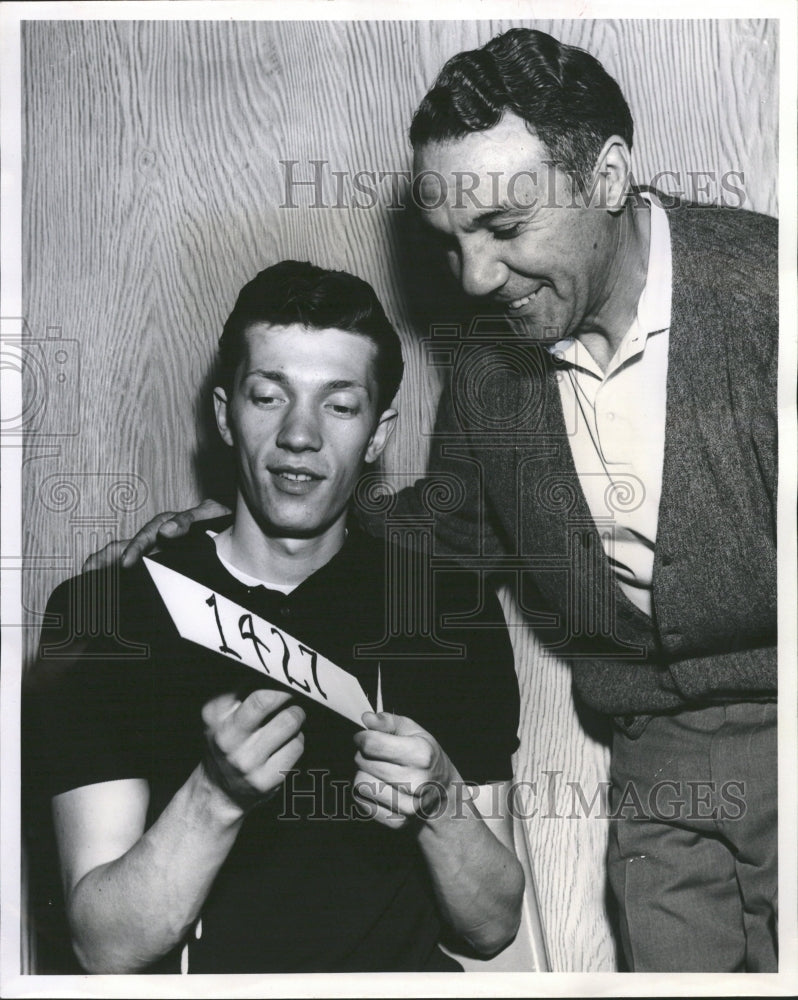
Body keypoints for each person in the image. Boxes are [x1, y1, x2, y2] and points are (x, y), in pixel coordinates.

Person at [88, 29, 778, 972]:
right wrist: (233, 521)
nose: (475, 280)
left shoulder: (770, 300)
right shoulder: (496, 368)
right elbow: (435, 528)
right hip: (655, 758)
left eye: (503, 228)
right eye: (450, 241)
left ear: (610, 176)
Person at [23, 260, 525, 974]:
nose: (300, 434)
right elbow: (104, 946)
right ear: (226, 414)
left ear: (377, 435)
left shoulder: (452, 612)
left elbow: (491, 926)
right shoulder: (108, 616)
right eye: (269, 397)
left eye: (339, 405)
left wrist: (442, 801)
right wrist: (213, 797)